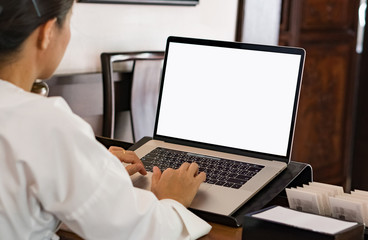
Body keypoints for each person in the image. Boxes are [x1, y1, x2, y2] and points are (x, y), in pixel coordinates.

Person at [0, 0, 211, 239]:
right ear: (47, 33)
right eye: (69, 21)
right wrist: (174, 200)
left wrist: (91, 167)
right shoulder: (47, 124)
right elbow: (143, 232)